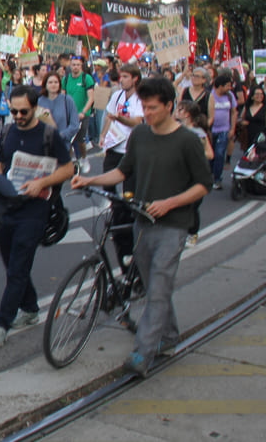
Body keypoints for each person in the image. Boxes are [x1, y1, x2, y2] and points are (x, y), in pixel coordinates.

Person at [72, 77, 212, 377]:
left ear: (170, 106)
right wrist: (91, 179)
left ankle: (142, 353)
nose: (146, 114)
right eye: (144, 108)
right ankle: (169, 335)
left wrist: (171, 203)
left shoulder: (187, 140)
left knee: (159, 286)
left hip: (173, 225)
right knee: (154, 287)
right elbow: (123, 171)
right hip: (143, 223)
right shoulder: (140, 136)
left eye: (152, 108)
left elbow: (203, 185)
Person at [0, 85, 74, 348]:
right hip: (8, 207)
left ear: (35, 108)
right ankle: (31, 307)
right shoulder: (8, 130)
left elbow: (68, 168)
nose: (19, 115)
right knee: (12, 264)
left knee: (18, 266)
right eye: (13, 111)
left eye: (24, 111)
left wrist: (42, 182)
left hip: (35, 210)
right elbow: (1, 163)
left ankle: (2, 322)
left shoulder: (49, 135)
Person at [99, 64, 144, 277]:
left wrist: (121, 119)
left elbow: (137, 122)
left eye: (126, 77)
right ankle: (117, 208)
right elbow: (109, 117)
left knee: (129, 189)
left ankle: (129, 211)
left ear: (135, 79)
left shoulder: (141, 98)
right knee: (107, 182)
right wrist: (103, 136)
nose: (122, 79)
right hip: (114, 147)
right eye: (121, 76)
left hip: (130, 149)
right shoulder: (117, 96)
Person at [176, 99, 214, 248]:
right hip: (182, 175)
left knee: (192, 206)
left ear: (187, 114)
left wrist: (193, 156)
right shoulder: (179, 129)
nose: (176, 112)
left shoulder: (197, 133)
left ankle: (192, 234)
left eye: (179, 110)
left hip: (195, 176)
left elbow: (210, 154)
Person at [38, 73, 81, 164]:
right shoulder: (39, 101)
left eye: (56, 82)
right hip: (43, 146)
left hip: (62, 144)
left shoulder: (67, 100)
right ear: (45, 84)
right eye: (50, 82)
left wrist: (61, 135)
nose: (53, 84)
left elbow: (74, 124)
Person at [63, 57, 95, 170]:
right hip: (68, 115)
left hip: (82, 115)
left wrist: (83, 112)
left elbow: (91, 98)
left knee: (80, 140)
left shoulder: (87, 79)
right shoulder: (66, 79)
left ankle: (84, 158)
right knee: (68, 139)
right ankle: (71, 162)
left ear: (81, 66)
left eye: (77, 65)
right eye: (73, 65)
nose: (75, 67)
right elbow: (63, 96)